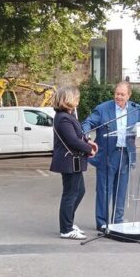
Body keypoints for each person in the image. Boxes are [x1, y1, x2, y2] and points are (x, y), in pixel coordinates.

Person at [81, 82, 140, 231]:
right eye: (117, 93)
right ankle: (102, 223)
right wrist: (86, 136)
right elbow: (88, 122)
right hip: (108, 154)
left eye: (122, 94)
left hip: (126, 154)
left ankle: (118, 221)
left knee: (121, 190)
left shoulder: (136, 110)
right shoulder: (103, 108)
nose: (119, 97)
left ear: (129, 95)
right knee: (104, 190)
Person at [50, 86, 98, 240]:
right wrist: (88, 149)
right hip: (69, 160)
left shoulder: (67, 116)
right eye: (76, 98)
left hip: (74, 161)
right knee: (70, 194)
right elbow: (71, 140)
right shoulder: (63, 118)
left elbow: (78, 135)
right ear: (68, 99)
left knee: (79, 191)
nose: (78, 100)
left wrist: (89, 142)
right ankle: (66, 228)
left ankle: (68, 222)